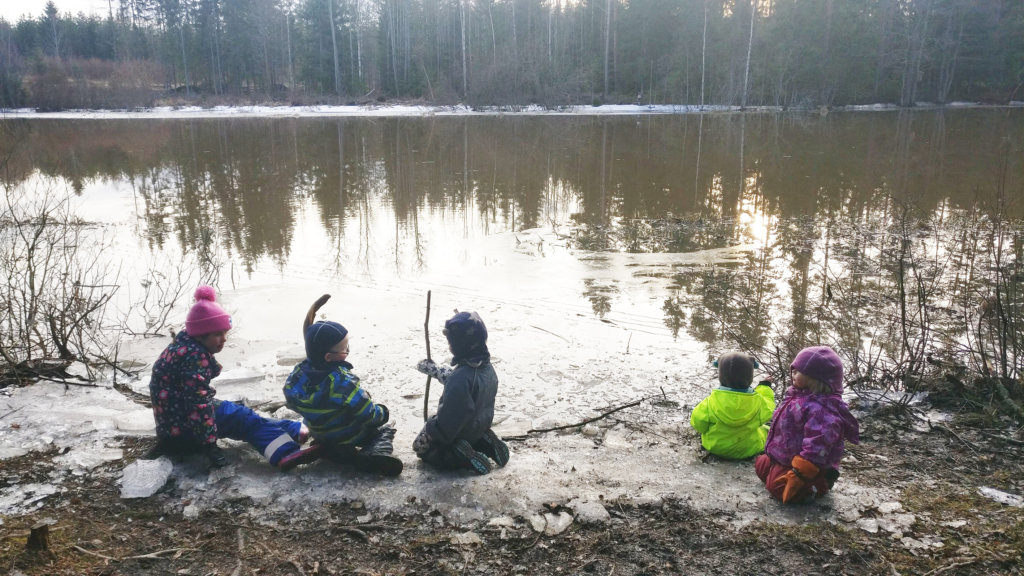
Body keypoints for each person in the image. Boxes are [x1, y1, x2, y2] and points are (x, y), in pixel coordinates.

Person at [148, 285, 319, 471]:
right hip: (184, 426)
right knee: (242, 419)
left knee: (241, 414)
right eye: (217, 334)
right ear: (200, 334)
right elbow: (197, 405)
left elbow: (192, 397)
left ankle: (294, 429)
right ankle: (285, 453)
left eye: (225, 333)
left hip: (174, 421)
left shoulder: (183, 346)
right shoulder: (194, 357)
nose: (224, 339)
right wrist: (209, 444)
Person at [282, 310, 402, 476]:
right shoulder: (342, 382)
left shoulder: (297, 375)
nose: (347, 351)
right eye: (345, 349)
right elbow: (367, 413)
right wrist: (383, 413)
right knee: (383, 430)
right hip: (349, 434)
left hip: (319, 431)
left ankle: (329, 449)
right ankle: (373, 454)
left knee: (328, 425)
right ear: (329, 357)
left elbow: (290, 400)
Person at [755, 346, 860, 503]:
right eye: (793, 370)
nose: (792, 374)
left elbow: (818, 443)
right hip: (785, 456)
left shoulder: (822, 409)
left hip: (805, 464)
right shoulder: (796, 395)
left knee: (777, 488)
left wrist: (802, 471)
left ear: (816, 379)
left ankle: (818, 483)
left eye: (797, 372)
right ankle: (781, 469)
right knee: (761, 465)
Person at [413, 311, 509, 475]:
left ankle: (460, 455)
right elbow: (460, 380)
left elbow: (450, 419)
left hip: (457, 432)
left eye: (451, 342)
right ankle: (483, 442)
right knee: (470, 433)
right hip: (479, 426)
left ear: (459, 346)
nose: (449, 346)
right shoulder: (486, 368)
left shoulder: (460, 379)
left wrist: (431, 430)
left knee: (426, 452)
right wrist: (435, 370)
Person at [690, 351, 775, 460]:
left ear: (721, 377)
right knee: (766, 429)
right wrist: (765, 386)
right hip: (747, 450)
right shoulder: (759, 402)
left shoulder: (710, 402)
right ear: (750, 377)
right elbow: (769, 408)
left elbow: (698, 424)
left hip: (715, 448)